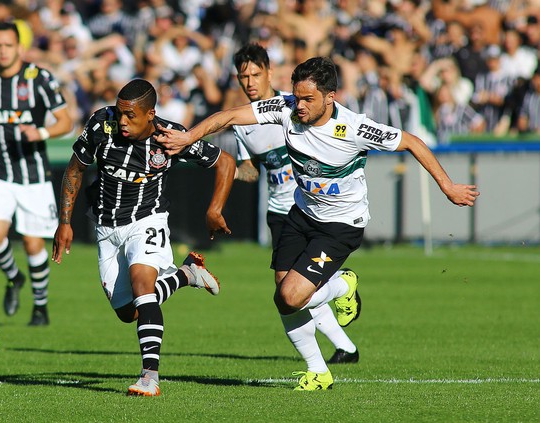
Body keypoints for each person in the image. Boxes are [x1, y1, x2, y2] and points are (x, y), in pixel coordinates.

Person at [159, 56, 479, 391]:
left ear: (330, 97)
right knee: (283, 299)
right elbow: (229, 116)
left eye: (308, 99)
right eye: (297, 97)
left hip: (340, 225)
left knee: (292, 295)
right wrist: (188, 138)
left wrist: (447, 185)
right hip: (301, 215)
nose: (299, 106)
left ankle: (342, 286)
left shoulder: (354, 128)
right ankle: (319, 371)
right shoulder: (284, 107)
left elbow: (412, 141)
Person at [52, 78, 235, 396]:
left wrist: (215, 210)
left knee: (142, 286)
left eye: (130, 115)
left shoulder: (171, 137)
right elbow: (74, 170)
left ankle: (149, 377)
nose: (122, 121)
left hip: (147, 221)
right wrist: (64, 222)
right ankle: (186, 274)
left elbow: (225, 162)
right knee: (128, 312)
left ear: (150, 114)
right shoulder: (101, 124)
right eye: (120, 113)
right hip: (106, 228)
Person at [231, 43, 359, 364]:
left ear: (270, 72)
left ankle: (336, 342)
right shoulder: (242, 123)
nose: (249, 82)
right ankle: (346, 347)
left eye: (255, 74)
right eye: (243, 76)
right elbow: (249, 168)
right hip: (279, 212)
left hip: (311, 209)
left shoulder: (293, 107)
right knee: (289, 292)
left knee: (297, 291)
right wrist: (229, 170)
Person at [0, 21, 72, 326]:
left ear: (19, 48)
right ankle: (14, 277)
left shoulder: (38, 78)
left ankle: (40, 307)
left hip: (34, 175)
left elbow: (66, 122)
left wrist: (39, 132)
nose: (1, 51)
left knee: (33, 244)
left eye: (7, 45)